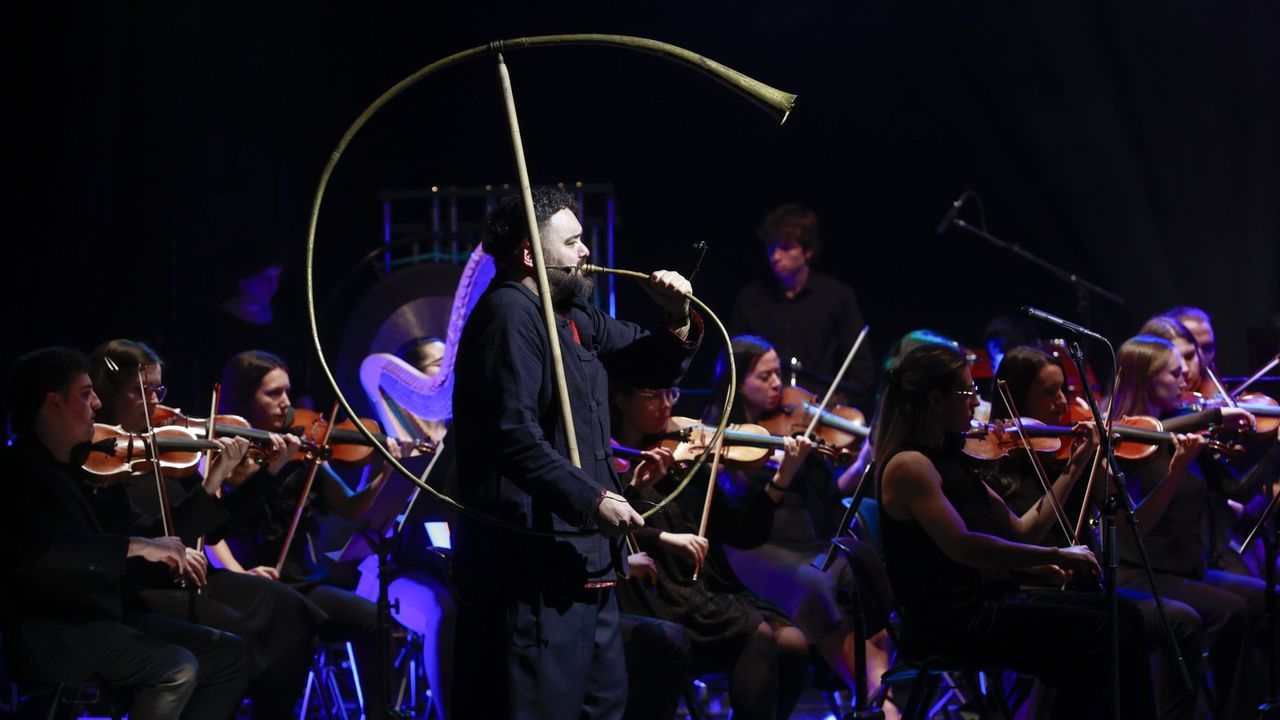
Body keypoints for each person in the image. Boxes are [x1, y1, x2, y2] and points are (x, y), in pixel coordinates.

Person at [449, 186, 701, 718]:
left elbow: (646, 362)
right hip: (532, 569)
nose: (586, 251)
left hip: (586, 566)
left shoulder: (574, 315)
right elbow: (512, 435)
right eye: (573, 241)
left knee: (602, 706)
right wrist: (593, 500)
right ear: (529, 255)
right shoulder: (509, 315)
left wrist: (678, 316)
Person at [875, 342, 1155, 719]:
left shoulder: (952, 458)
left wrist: (1074, 468)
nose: (976, 403)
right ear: (937, 400)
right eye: (968, 392)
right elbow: (963, 546)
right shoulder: (911, 465)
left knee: (1125, 617)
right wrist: (1054, 556)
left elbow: (1023, 531)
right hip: (951, 622)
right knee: (1102, 635)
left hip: (987, 603)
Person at [0, 346, 253, 720]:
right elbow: (45, 547)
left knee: (231, 654)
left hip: (107, 618)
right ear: (54, 403)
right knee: (176, 666)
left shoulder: (82, 466)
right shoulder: (15, 471)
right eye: (86, 394)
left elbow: (147, 534)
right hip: (59, 631)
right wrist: (139, 546)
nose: (98, 405)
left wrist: (211, 483)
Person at [88, 338, 326, 718]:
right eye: (140, 391)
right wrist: (212, 482)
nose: (154, 402)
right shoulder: (103, 463)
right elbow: (151, 536)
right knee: (251, 638)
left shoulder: (164, 448)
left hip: (188, 578)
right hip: (150, 590)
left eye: (157, 389)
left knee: (292, 609)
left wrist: (263, 473)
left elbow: (211, 531)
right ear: (107, 392)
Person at [978, 344, 1206, 719]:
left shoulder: (1073, 450)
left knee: (1179, 622)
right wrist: (1075, 469)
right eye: (1048, 393)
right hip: (1031, 595)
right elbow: (1022, 539)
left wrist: (1173, 473)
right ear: (1016, 398)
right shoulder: (996, 465)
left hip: (1086, 590)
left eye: (1064, 391)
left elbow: (1132, 526)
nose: (1061, 403)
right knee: (1119, 632)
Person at [710, 335, 897, 711]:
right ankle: (877, 701)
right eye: (765, 376)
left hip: (807, 539)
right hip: (756, 547)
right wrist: (782, 477)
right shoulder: (722, 435)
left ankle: (878, 699)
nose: (778, 383)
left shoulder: (795, 429)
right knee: (816, 587)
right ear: (738, 382)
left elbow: (830, 496)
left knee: (867, 575)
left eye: (778, 373)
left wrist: (861, 464)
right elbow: (741, 518)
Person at [610, 379, 809, 719]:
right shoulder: (609, 460)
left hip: (704, 585)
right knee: (756, 633)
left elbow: (741, 532)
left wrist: (781, 481)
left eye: (670, 393)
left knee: (793, 645)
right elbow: (614, 532)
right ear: (621, 399)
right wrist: (635, 487)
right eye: (652, 394)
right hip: (656, 589)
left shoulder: (688, 458)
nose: (667, 405)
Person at [1109, 334, 1269, 718]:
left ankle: (1245, 709)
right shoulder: (1124, 439)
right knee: (1230, 612)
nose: (1187, 382)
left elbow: (1235, 488)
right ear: (1147, 380)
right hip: (1139, 572)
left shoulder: (1180, 434)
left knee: (1265, 598)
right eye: (1175, 374)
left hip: (1185, 568)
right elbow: (1132, 524)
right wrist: (1213, 416)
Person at [729, 204, 874, 410]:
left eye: (786, 248)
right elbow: (733, 364)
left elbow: (862, 373)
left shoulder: (837, 296)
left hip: (820, 410)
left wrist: (838, 407)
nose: (775, 256)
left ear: (808, 251)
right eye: (771, 247)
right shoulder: (750, 298)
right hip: (765, 411)